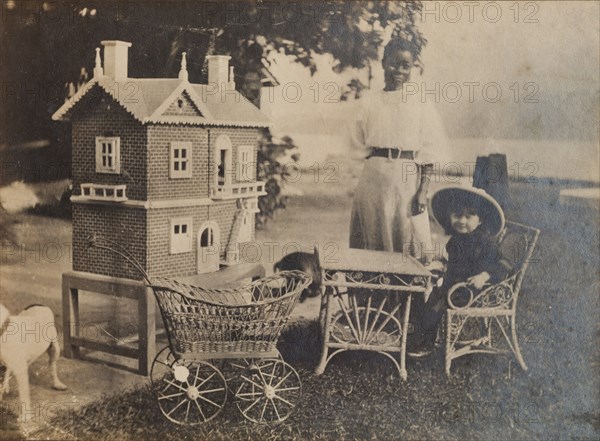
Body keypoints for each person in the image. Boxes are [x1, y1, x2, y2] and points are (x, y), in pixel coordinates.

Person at [348, 36, 450, 260]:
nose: (399, 71)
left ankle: (405, 295)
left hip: (407, 179)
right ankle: (371, 294)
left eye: (406, 65)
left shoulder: (421, 102)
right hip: (373, 179)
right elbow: (355, 146)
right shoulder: (368, 101)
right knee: (371, 241)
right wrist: (358, 184)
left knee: (408, 237)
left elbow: (429, 150)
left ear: (413, 67)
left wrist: (423, 191)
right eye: (394, 63)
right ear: (383, 63)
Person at [410, 185, 508, 356]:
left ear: (481, 219)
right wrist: (442, 264)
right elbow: (455, 263)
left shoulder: (486, 242)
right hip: (454, 285)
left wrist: (483, 276)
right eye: (457, 215)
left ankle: (426, 343)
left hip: (474, 291)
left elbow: (500, 266)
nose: (462, 220)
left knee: (435, 306)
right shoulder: (457, 239)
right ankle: (418, 334)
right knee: (426, 296)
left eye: (469, 216)